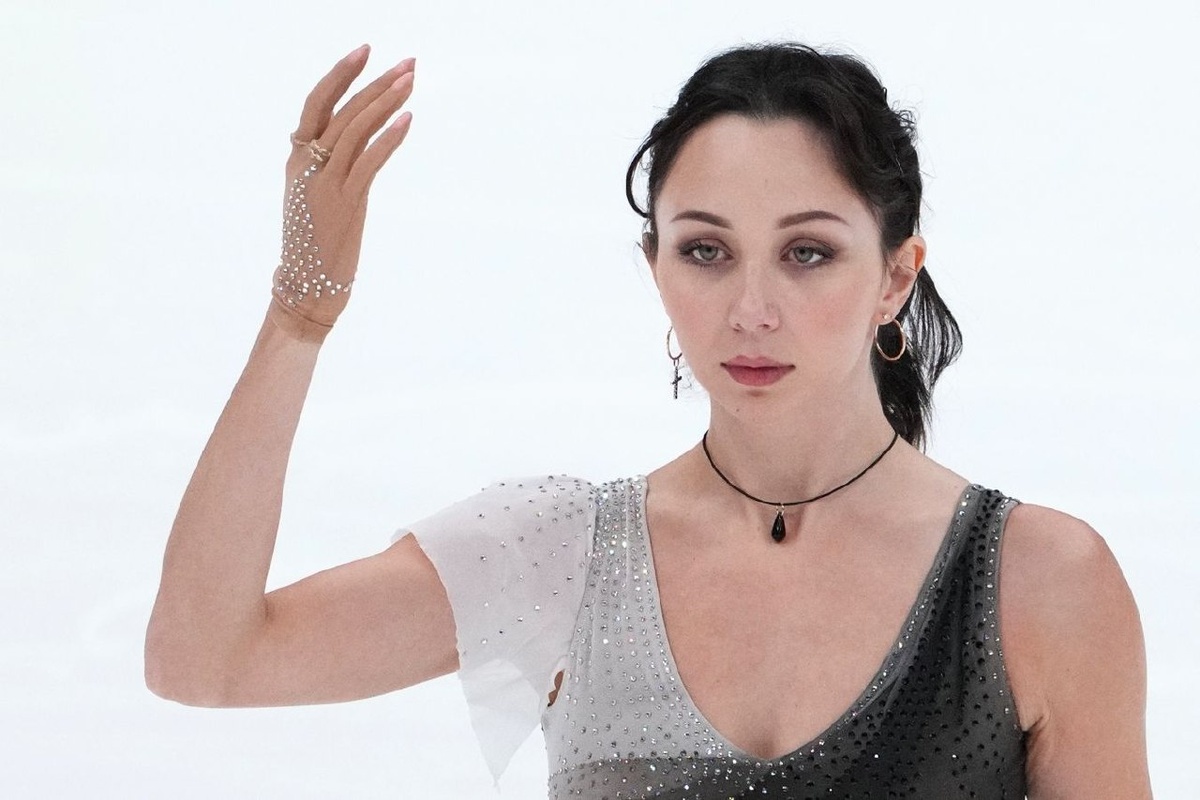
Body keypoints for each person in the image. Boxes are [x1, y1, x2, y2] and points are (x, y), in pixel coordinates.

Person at [145, 41, 1151, 798]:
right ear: (656, 265)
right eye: (706, 251)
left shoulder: (1039, 582)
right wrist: (299, 316)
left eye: (806, 253)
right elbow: (204, 659)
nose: (751, 308)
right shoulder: (564, 551)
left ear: (895, 275)